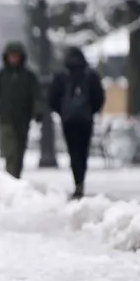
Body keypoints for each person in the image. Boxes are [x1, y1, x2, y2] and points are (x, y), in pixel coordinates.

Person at [48, 47, 105, 200]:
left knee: (73, 151)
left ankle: (77, 179)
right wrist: (90, 111)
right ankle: (81, 179)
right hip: (85, 120)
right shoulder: (90, 75)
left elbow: (52, 97)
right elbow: (99, 97)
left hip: (68, 121)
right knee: (83, 150)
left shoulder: (61, 76)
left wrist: (62, 112)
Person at [0, 42, 42, 179]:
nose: (14, 59)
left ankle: (15, 176)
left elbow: (36, 96)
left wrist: (38, 112)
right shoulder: (1, 76)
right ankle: (11, 176)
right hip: (6, 120)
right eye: (11, 56)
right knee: (10, 152)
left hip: (23, 120)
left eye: (16, 56)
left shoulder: (29, 77)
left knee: (19, 152)